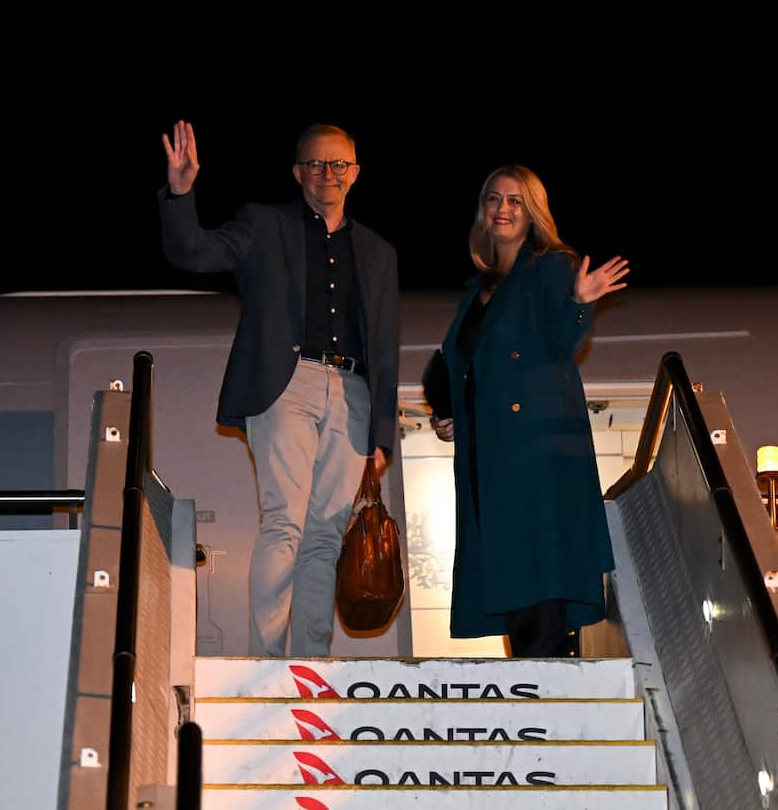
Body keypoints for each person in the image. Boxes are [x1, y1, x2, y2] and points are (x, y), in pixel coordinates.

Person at [158, 120, 400, 657]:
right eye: (316, 164)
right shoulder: (263, 225)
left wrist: (383, 434)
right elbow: (194, 253)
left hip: (354, 391)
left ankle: (310, 664)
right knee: (284, 522)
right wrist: (181, 193)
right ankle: (268, 662)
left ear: (355, 173)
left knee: (325, 536)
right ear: (298, 173)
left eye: (339, 164)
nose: (327, 174)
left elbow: (386, 344)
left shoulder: (379, 253)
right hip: (286, 384)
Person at [430, 165, 628, 657]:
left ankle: (546, 682)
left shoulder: (552, 265)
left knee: (538, 563)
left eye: (516, 200)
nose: (502, 208)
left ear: (533, 212)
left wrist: (580, 303)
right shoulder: (476, 289)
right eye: (494, 198)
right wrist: (452, 413)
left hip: (536, 444)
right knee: (509, 569)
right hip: (490, 451)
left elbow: (561, 342)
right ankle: (532, 682)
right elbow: (465, 364)